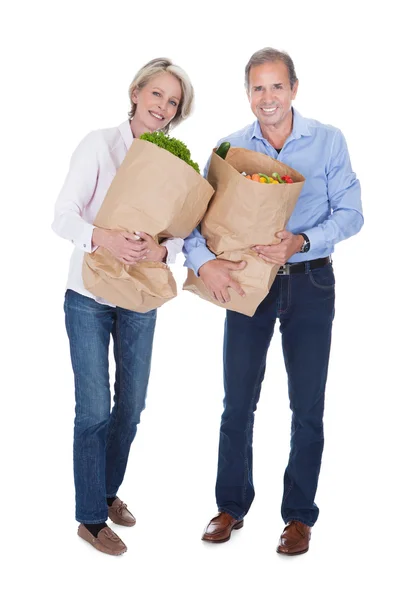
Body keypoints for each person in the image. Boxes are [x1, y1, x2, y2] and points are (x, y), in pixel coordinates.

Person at [183, 47, 363, 555]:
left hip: (310, 283)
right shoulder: (229, 150)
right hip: (247, 285)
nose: (268, 98)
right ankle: (230, 506)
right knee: (237, 401)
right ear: (248, 94)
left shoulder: (327, 141)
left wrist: (301, 241)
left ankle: (299, 517)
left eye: (276, 87)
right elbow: (194, 222)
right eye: (258, 88)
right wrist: (204, 263)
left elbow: (352, 213)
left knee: (307, 405)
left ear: (294, 89)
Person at [52, 58, 194, 556]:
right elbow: (62, 217)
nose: (163, 107)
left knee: (130, 407)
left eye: (172, 101)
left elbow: (181, 233)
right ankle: (90, 518)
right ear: (135, 93)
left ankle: (105, 490)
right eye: (156, 94)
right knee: (93, 410)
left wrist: (162, 252)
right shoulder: (99, 144)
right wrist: (103, 237)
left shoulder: (174, 162)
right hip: (89, 296)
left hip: (139, 297)